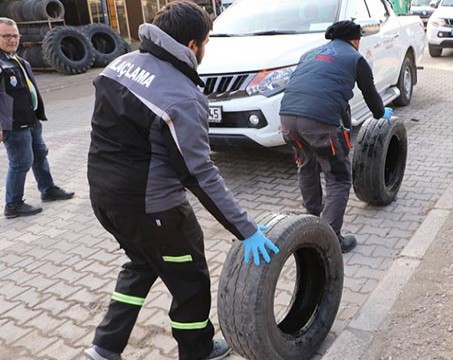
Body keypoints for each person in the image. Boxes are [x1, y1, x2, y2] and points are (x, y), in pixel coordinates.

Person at [85, 2, 279, 360]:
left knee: (141, 263)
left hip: (104, 199)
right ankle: (198, 350)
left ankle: (104, 347)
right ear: (193, 45)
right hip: (154, 210)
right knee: (190, 281)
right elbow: (199, 174)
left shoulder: (119, 65)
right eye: (206, 42)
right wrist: (246, 229)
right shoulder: (182, 96)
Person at [279, 20, 393, 253]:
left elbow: (320, 90)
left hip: (288, 120)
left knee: (308, 165)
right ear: (355, 40)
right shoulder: (354, 58)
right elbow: (369, 93)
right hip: (318, 122)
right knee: (338, 176)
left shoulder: (309, 54)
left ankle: (310, 221)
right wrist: (382, 113)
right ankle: (330, 239)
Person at [0, 17, 75, 219]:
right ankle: (13, 204)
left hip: (31, 119)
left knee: (39, 154)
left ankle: (48, 189)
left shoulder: (17, 59)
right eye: (6, 36)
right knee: (21, 162)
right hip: (13, 124)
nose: (12, 39)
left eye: (15, 35)